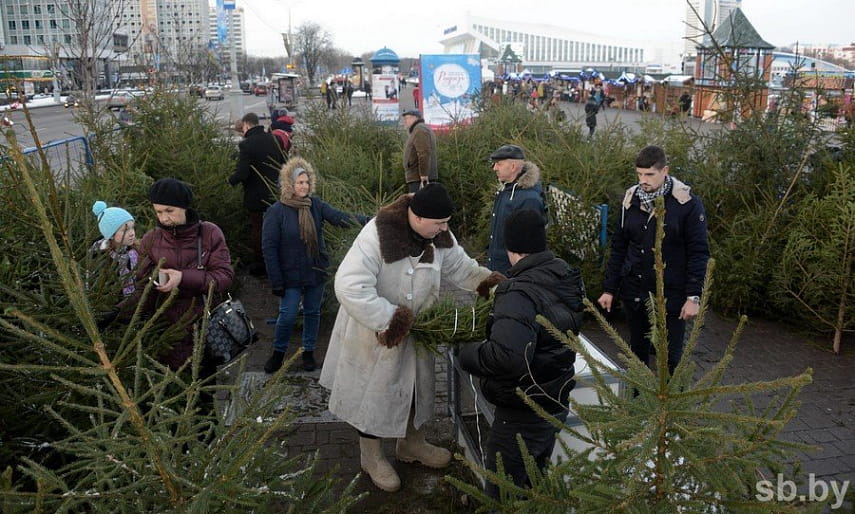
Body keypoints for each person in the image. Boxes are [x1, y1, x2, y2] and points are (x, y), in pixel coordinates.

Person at [319, 183, 505, 492]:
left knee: (415, 391)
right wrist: (389, 320)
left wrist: (492, 285)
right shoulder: (376, 235)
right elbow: (348, 285)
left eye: (446, 222)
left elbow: (461, 267)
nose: (445, 229)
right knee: (374, 397)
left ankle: (411, 445)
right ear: (416, 217)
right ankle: (372, 456)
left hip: (417, 333)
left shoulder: (439, 236)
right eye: (439, 223)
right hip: (376, 332)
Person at [458, 209, 583, 500]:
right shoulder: (564, 273)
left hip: (522, 409)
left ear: (510, 248)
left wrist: (468, 354)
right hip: (554, 398)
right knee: (533, 479)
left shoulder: (517, 293)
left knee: (503, 490)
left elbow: (508, 358)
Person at [597, 145, 710, 375]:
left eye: (649, 174)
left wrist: (693, 297)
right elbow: (619, 246)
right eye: (639, 174)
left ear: (665, 170)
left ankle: (667, 407)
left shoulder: (686, 204)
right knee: (637, 352)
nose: (643, 180)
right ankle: (637, 404)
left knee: (670, 356)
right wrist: (609, 288)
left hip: (672, 293)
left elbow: (698, 252)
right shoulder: (631, 200)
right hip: (635, 291)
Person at [262, 158, 369, 373]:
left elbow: (340, 218)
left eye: (306, 182)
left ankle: (309, 352)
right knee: (288, 315)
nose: (304, 186)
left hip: (314, 270)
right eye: (299, 182)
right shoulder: (277, 212)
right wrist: (276, 280)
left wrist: (371, 220)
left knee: (312, 312)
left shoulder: (316, 206)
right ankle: (278, 353)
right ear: (289, 184)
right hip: (289, 274)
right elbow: (269, 248)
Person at [136, 178, 235, 371]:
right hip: (167, 331)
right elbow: (142, 287)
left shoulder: (209, 233)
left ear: (184, 208)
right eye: (158, 212)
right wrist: (118, 313)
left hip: (204, 327)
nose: (164, 218)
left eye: (169, 211)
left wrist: (182, 277)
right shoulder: (151, 239)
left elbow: (224, 277)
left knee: (204, 384)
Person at [229, 112, 286, 276]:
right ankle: (279, 261)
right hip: (275, 193)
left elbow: (242, 173)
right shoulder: (274, 139)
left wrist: (229, 181)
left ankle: (261, 265)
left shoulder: (246, 145)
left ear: (246, 124)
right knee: (277, 228)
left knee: (258, 230)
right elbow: (284, 163)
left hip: (255, 196)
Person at [486, 144, 545, 275]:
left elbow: (529, 247)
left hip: (512, 275)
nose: (494, 168)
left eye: (498, 164)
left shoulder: (529, 199)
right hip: (498, 269)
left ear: (513, 167)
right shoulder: (506, 190)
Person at [91, 200, 138, 298]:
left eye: (132, 227)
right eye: (125, 230)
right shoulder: (102, 260)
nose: (132, 233)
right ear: (111, 235)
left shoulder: (135, 250)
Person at [402, 109, 438, 193]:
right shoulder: (419, 129)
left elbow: (424, 153)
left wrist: (424, 174)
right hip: (418, 177)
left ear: (415, 118)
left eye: (407, 118)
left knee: (418, 205)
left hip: (419, 178)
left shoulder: (420, 130)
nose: (405, 121)